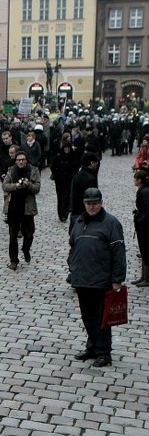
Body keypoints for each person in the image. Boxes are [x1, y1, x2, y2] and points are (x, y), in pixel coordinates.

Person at [68, 187, 126, 368]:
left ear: (101, 203)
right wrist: (72, 266)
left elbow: (118, 252)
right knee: (87, 316)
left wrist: (117, 278)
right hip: (82, 278)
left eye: (95, 203)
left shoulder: (111, 223)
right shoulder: (79, 221)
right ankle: (92, 346)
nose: (91, 207)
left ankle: (104, 352)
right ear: (84, 204)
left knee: (102, 318)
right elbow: (73, 245)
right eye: (88, 203)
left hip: (101, 279)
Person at [2, 150, 41, 270]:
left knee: (29, 234)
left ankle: (26, 249)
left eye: (23, 159)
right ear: (16, 161)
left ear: (26, 160)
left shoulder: (33, 170)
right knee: (13, 235)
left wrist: (28, 184)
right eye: (19, 160)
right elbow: (5, 185)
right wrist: (16, 186)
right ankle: (14, 260)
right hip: (13, 206)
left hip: (27, 207)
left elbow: (37, 188)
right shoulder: (12, 171)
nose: (21, 162)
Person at [50, 133, 79, 222]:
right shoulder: (58, 157)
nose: (66, 149)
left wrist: (72, 175)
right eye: (65, 148)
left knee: (66, 197)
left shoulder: (73, 157)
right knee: (60, 197)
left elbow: (76, 167)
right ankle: (60, 213)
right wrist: (57, 174)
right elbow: (53, 167)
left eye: (68, 148)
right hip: (59, 181)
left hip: (69, 180)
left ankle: (64, 214)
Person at [69, 152, 100, 232]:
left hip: (76, 212)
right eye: (96, 162)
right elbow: (91, 198)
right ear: (91, 163)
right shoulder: (89, 178)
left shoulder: (78, 175)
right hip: (84, 214)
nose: (97, 165)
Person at [132, 170, 149, 287]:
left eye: (135, 178)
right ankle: (144, 276)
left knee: (146, 250)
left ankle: (147, 278)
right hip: (142, 225)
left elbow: (148, 210)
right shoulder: (143, 190)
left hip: (145, 226)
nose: (134, 181)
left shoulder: (145, 192)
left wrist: (140, 219)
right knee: (143, 250)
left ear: (139, 180)